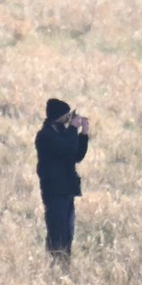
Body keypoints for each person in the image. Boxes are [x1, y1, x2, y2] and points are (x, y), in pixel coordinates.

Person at [35, 98, 90, 259]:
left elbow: (76, 155)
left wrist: (84, 134)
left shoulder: (63, 134)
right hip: (54, 190)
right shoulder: (45, 135)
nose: (69, 119)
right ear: (58, 116)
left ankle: (64, 263)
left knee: (68, 232)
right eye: (67, 115)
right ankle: (55, 262)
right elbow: (63, 148)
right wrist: (73, 129)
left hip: (67, 189)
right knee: (57, 230)